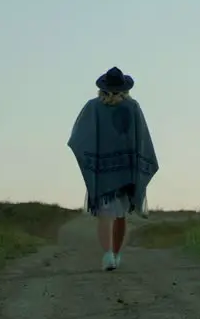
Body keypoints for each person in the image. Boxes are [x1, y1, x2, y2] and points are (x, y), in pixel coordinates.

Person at [67, 66, 159, 271]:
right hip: (126, 170)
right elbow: (142, 139)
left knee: (104, 214)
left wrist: (92, 157)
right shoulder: (133, 107)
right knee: (120, 215)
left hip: (102, 170)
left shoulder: (92, 107)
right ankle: (116, 255)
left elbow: (79, 138)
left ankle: (108, 255)